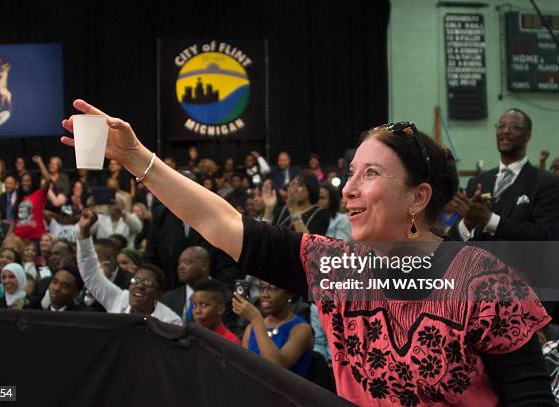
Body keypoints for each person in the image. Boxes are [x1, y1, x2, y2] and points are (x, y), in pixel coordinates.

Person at [61, 100, 553, 405]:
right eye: (351, 173)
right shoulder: (338, 267)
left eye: (371, 175)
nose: (350, 190)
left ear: (419, 198)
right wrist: (136, 159)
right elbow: (221, 221)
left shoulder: (486, 283)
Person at [451, 108, 559, 241]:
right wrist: (468, 221)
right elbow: (455, 242)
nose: (506, 131)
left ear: (528, 135)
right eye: (501, 126)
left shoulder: (546, 183)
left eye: (515, 127)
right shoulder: (478, 182)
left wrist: (490, 219)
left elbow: (545, 236)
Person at [76, 208, 182, 325]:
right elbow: (91, 275)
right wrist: (84, 231)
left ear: (159, 294)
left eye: (147, 283)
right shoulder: (119, 299)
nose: (139, 286)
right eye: (135, 280)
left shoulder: (171, 321)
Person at [232, 280, 314, 377]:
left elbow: (277, 367)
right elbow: (243, 368)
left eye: (272, 288)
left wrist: (256, 319)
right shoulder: (251, 328)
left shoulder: (301, 329)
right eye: (262, 288)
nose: (264, 295)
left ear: (289, 293)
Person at [264, 171, 330, 235]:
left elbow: (310, 243)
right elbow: (266, 236)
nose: (294, 188)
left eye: (300, 184)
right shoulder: (283, 210)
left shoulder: (320, 214)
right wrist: (269, 208)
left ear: (311, 187)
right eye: (292, 184)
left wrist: (294, 211)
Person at [161, 246, 211, 323]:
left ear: (204, 266)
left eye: (187, 262)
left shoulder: (224, 297)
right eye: (179, 263)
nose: (180, 267)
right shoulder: (168, 298)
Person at [10, 156, 52, 242]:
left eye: (28, 181)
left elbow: (47, 179)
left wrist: (40, 162)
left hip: (36, 238)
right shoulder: (19, 198)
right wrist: (9, 236)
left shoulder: (39, 194)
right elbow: (14, 221)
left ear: (32, 182)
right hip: (19, 239)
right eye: (23, 181)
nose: (25, 183)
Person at [192, 278, 239, 345]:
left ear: (220, 309)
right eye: (194, 305)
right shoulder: (190, 337)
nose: (197, 311)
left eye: (203, 305)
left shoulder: (230, 342)